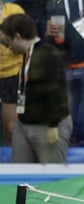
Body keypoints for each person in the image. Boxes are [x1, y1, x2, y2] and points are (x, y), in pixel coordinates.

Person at [0, 13, 71, 163]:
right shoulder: (27, 55)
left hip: (48, 126)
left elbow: (58, 89)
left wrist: (53, 123)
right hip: (25, 123)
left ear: (17, 36)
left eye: (8, 41)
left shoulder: (47, 53)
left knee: (49, 179)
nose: (8, 47)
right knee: (19, 176)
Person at [46, 0, 84, 148]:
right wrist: (48, 33)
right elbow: (55, 40)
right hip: (66, 65)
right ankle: (64, 167)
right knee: (65, 127)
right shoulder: (54, 3)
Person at [0, 0, 25, 145]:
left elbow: (25, 45)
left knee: (12, 128)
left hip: (13, 76)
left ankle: (17, 165)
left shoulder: (15, 11)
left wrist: (5, 39)